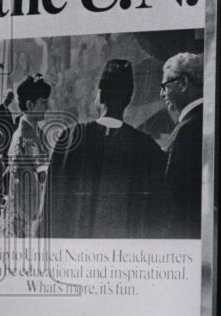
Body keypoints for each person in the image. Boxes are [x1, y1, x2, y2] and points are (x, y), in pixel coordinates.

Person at [44, 60, 166, 238]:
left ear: (100, 95)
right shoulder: (147, 148)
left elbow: (49, 204)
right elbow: (158, 217)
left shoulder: (70, 138)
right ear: (128, 100)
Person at [159, 52, 204, 238]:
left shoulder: (186, 131)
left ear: (183, 83)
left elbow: (171, 198)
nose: (161, 94)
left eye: (164, 86)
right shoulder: (205, 122)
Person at [2, 75, 52, 238]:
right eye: (43, 102)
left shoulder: (39, 133)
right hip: (25, 221)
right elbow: (22, 190)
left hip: (37, 211)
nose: (48, 107)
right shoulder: (21, 139)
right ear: (30, 105)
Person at [0, 91, 16, 155]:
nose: (9, 100)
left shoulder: (9, 112)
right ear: (4, 96)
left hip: (8, 138)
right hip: (1, 137)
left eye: (11, 98)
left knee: (6, 156)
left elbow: (11, 125)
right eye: (8, 97)